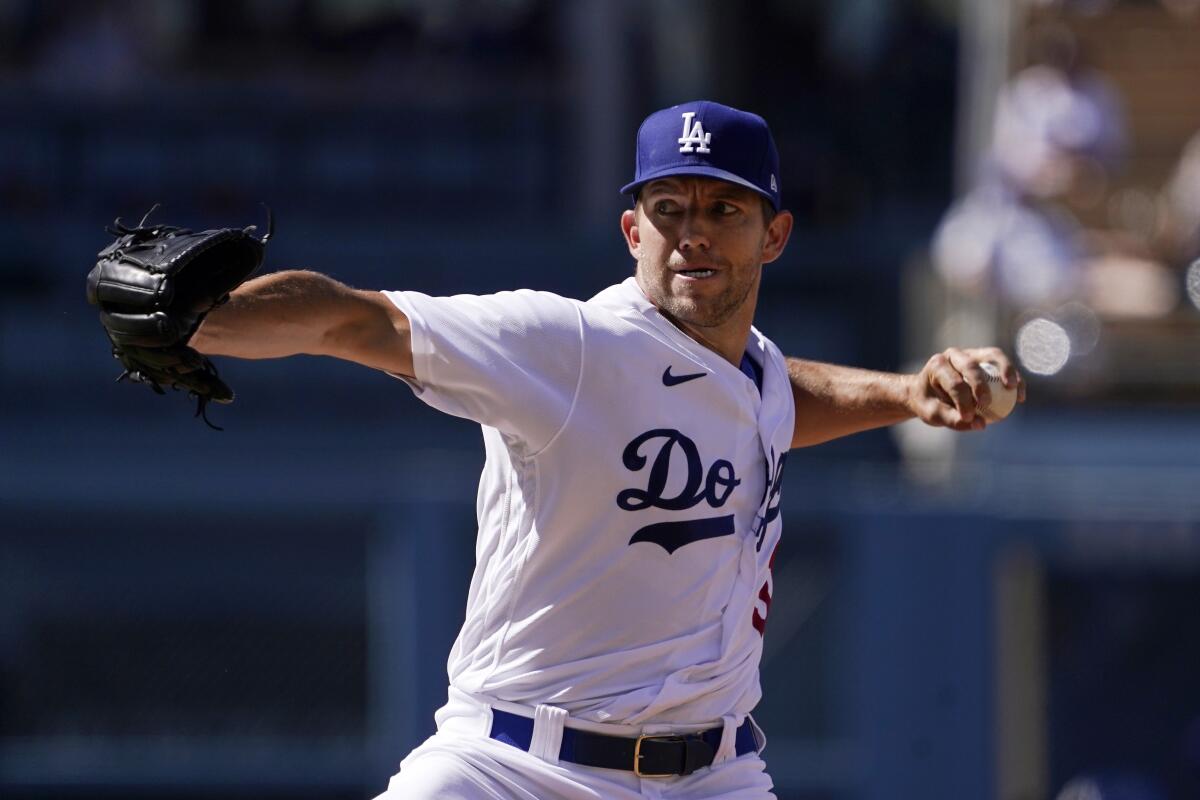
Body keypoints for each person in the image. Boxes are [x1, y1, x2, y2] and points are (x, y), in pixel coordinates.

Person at [190, 100, 1024, 800]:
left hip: (713, 775)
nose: (692, 233)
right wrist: (202, 319)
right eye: (670, 209)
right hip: (514, 766)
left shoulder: (752, 370)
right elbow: (359, 320)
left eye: (723, 209)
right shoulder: (571, 346)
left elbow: (765, 399)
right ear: (633, 230)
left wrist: (908, 394)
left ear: (774, 236)